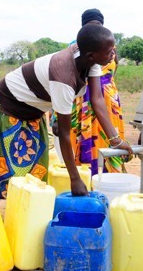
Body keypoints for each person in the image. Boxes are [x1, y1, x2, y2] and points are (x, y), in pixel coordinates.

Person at [0, 23, 133, 201]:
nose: (113, 54)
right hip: (9, 105)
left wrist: (115, 140)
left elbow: (97, 100)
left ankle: (25, 215)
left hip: (33, 112)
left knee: (35, 170)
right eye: (109, 51)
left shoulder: (89, 59)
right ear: (92, 55)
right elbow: (64, 134)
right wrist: (75, 179)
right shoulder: (64, 77)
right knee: (2, 168)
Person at [53, 9, 129, 175]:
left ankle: (84, 173)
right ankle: (103, 174)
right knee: (107, 134)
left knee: (84, 136)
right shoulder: (110, 46)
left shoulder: (76, 44)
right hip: (103, 96)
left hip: (85, 98)